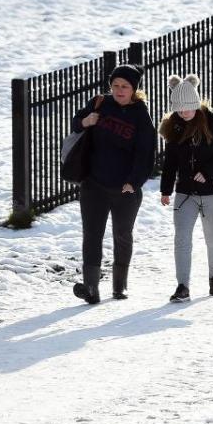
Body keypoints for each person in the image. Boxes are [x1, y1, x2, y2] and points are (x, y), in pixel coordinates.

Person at [70, 64, 156, 304]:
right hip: (93, 185)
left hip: (124, 189)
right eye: (115, 85)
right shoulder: (100, 102)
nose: (119, 90)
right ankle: (91, 288)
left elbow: (146, 153)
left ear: (134, 89)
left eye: (125, 86)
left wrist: (134, 182)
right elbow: (76, 123)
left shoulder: (140, 113)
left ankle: (120, 285)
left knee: (122, 234)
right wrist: (86, 121)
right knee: (92, 235)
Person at [158, 74, 213, 302]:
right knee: (181, 238)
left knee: (212, 237)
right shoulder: (174, 128)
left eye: (187, 109)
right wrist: (165, 190)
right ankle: (182, 285)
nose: (183, 113)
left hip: (212, 192)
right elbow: (170, 162)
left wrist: (209, 171)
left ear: (195, 105)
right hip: (185, 193)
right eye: (179, 110)